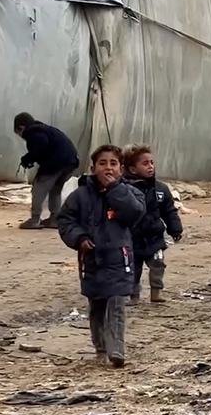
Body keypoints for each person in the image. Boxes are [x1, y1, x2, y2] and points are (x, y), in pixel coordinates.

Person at [56, 145, 145, 368]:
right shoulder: (80, 195)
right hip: (92, 259)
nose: (108, 168)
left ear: (121, 169)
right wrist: (79, 238)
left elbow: (135, 212)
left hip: (119, 257)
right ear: (93, 167)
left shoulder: (129, 192)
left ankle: (117, 350)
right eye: (103, 163)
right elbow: (66, 221)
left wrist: (115, 188)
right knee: (97, 305)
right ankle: (101, 346)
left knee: (117, 302)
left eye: (113, 164)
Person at [123, 145, 183, 304]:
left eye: (152, 162)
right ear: (132, 169)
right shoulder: (124, 190)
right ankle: (133, 296)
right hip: (131, 239)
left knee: (158, 264)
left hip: (154, 238)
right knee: (132, 269)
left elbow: (169, 211)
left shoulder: (161, 189)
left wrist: (175, 228)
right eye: (145, 163)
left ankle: (156, 294)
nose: (150, 166)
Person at [14, 113, 80, 230]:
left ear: (21, 127)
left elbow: (40, 146)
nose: (21, 136)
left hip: (55, 163)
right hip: (71, 162)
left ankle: (34, 220)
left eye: (19, 133)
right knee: (55, 190)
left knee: (38, 189)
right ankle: (54, 219)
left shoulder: (33, 132)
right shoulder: (44, 129)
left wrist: (28, 158)